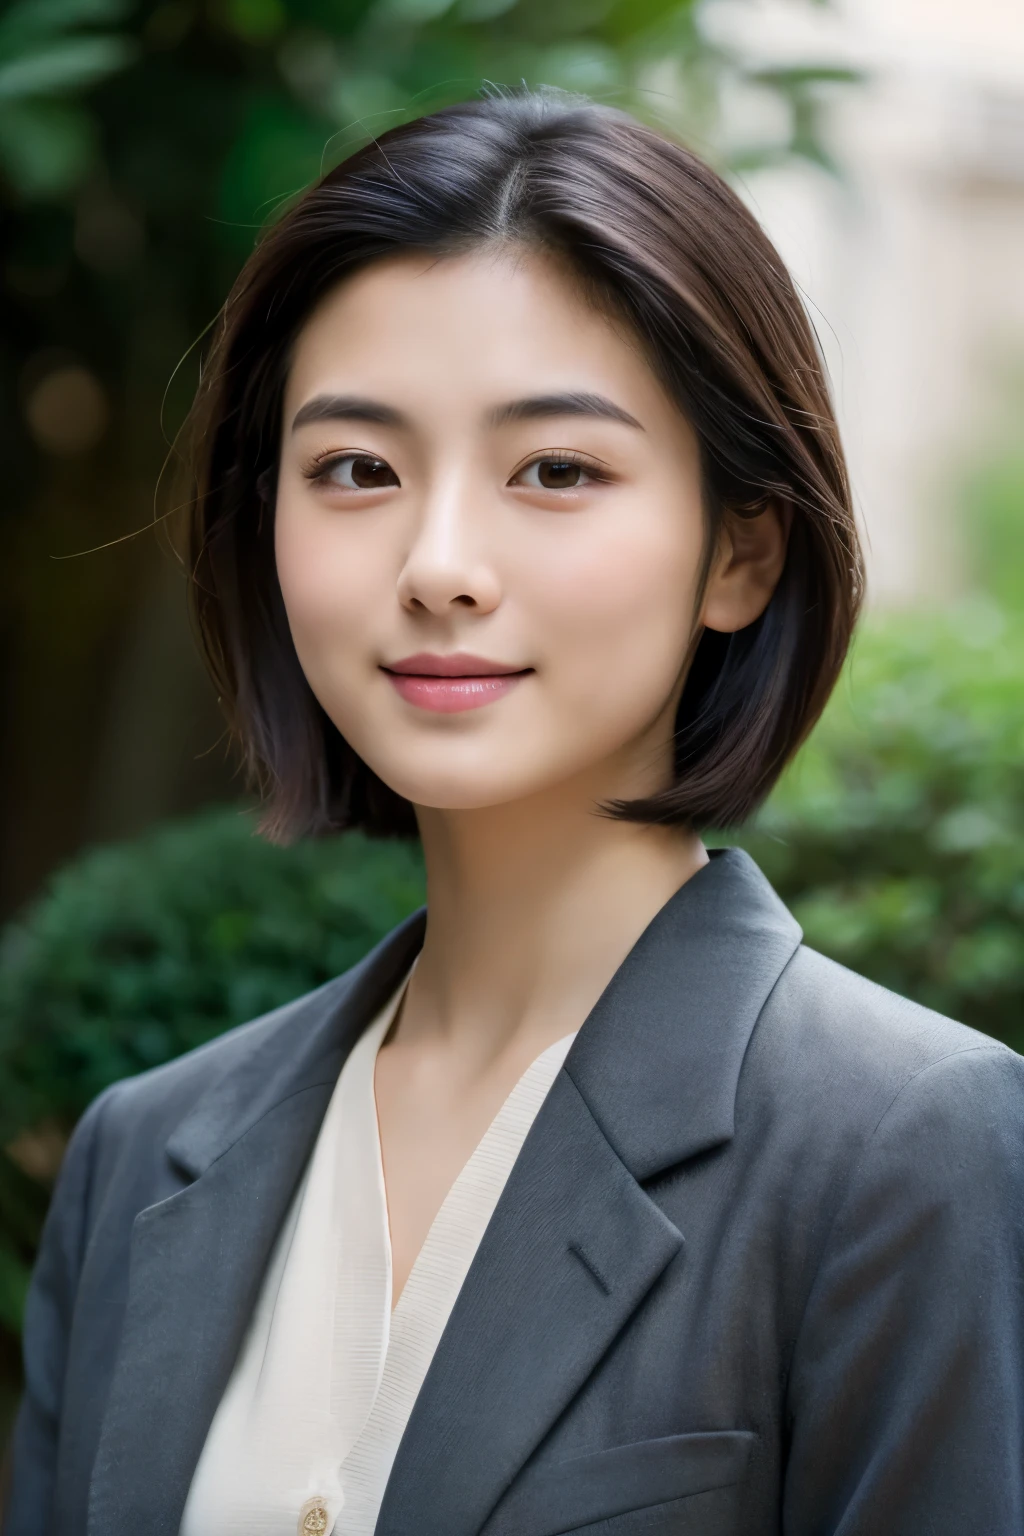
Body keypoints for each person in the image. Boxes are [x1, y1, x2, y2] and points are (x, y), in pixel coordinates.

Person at [5, 87, 1023, 1536]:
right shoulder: (140, 1155)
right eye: (356, 469)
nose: (439, 563)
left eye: (557, 470)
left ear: (740, 551)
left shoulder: (903, 1151)